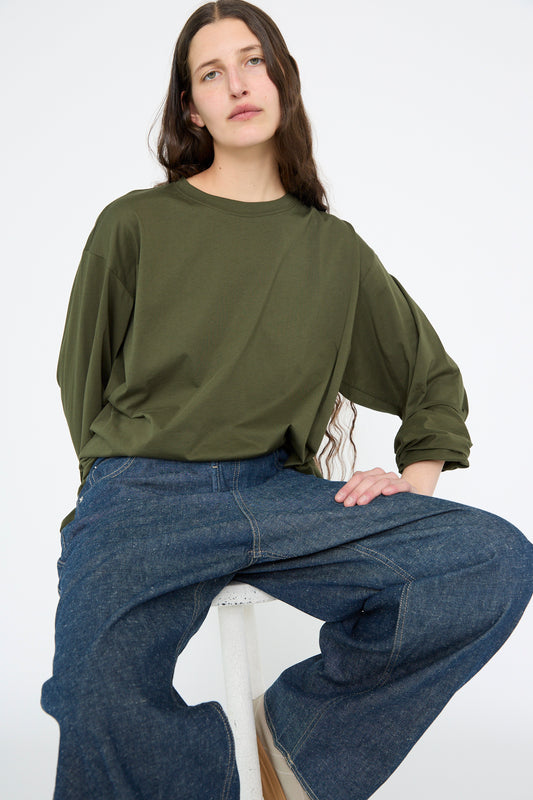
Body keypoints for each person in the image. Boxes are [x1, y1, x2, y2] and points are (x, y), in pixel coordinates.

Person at [41, 2, 533, 799]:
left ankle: (292, 746)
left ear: (282, 80)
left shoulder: (330, 249)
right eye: (211, 72)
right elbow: (82, 381)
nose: (237, 84)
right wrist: (108, 498)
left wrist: (415, 483)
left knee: (488, 562)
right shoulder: (133, 224)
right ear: (189, 107)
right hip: (142, 492)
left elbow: (429, 378)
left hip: (278, 493)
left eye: (253, 61)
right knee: (97, 691)